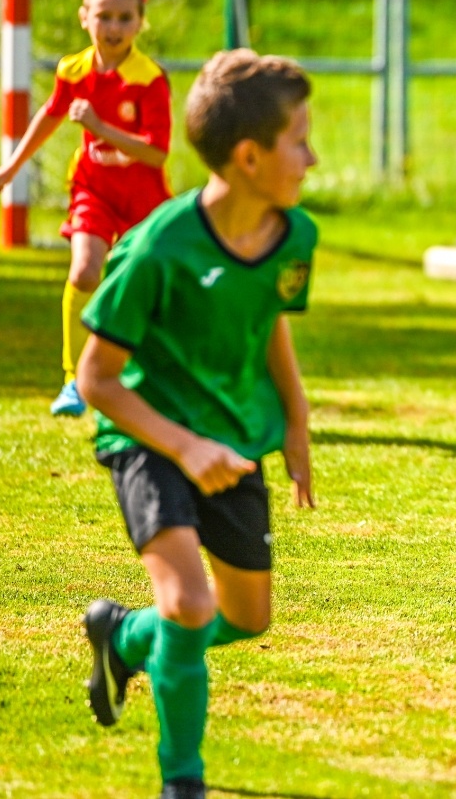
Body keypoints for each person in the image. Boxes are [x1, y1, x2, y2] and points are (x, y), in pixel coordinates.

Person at [74, 50, 319, 799]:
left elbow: (270, 321)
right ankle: (183, 779)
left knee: (247, 618)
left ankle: (127, 637)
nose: (311, 157)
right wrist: (183, 443)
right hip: (150, 440)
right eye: (300, 140)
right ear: (249, 156)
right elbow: (97, 379)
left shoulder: (294, 235)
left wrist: (297, 423)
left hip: (235, 440)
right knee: (190, 602)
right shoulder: (156, 248)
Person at [0, 0, 172, 417]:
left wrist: (99, 127)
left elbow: (156, 155)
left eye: (125, 18)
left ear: (140, 23)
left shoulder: (149, 79)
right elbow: (50, 116)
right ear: (84, 17)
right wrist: (11, 167)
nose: (114, 28)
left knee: (144, 286)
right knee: (85, 272)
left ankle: (148, 379)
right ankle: (74, 380)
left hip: (143, 197)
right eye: (104, 16)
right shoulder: (73, 70)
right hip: (93, 187)